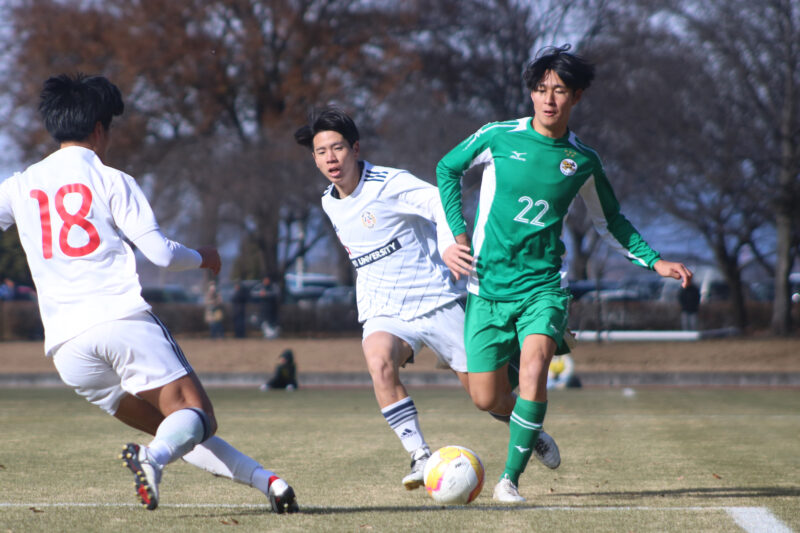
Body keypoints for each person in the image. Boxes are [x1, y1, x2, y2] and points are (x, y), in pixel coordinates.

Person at [0, 73, 298, 513]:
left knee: (175, 426)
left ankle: (268, 482)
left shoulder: (20, 185)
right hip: (120, 321)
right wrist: (204, 257)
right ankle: (151, 459)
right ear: (100, 129)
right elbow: (159, 254)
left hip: (67, 349)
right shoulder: (111, 179)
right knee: (198, 417)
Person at [436, 45, 693, 502]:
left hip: (543, 287)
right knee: (485, 398)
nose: (548, 99)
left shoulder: (584, 162)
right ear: (531, 94)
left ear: (577, 97)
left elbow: (610, 221)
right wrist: (458, 235)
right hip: (487, 286)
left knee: (536, 366)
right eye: (540, 89)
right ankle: (529, 430)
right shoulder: (498, 136)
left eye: (559, 90)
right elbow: (446, 169)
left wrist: (655, 260)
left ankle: (508, 481)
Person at [294, 108, 560, 491]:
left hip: (436, 301)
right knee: (379, 362)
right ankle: (420, 455)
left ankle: (527, 428)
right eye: (321, 152)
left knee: (488, 399)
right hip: (384, 310)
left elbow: (439, 202)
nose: (330, 159)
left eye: (337, 148)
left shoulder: (389, 183)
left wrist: (452, 244)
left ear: (355, 148)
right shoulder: (328, 202)